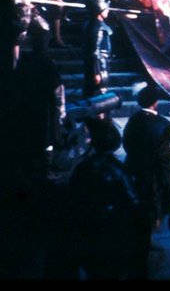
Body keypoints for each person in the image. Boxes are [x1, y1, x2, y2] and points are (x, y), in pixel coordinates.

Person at [69, 116, 148, 279]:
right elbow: (134, 202)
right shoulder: (118, 170)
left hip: (90, 230)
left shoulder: (82, 168)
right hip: (113, 231)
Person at [122, 84, 170, 252]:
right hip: (154, 175)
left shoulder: (133, 119)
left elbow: (127, 143)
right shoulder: (165, 125)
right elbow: (163, 155)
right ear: (155, 103)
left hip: (134, 168)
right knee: (153, 207)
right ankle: (146, 241)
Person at [8, 23, 66, 182]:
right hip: (45, 109)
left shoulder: (25, 61)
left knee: (33, 136)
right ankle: (45, 170)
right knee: (47, 138)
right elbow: (57, 89)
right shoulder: (48, 64)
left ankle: (30, 168)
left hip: (29, 105)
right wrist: (61, 111)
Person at [82, 0, 112, 98]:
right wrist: (96, 72)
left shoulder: (93, 24)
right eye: (105, 9)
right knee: (98, 95)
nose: (108, 11)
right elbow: (94, 51)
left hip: (102, 64)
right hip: (99, 66)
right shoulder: (96, 27)